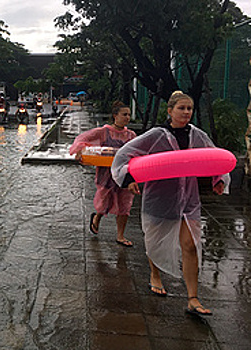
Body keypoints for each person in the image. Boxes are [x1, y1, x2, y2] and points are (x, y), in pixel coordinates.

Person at [111, 91, 230, 316]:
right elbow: (124, 155)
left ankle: (193, 299)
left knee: (191, 245)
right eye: (181, 108)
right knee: (155, 240)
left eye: (190, 109)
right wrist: (129, 179)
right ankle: (155, 274)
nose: (186, 113)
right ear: (170, 111)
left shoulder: (198, 135)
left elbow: (214, 156)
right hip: (160, 197)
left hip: (189, 200)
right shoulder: (156, 135)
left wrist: (219, 180)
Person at [69, 101, 136, 247]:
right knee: (104, 202)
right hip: (106, 174)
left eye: (129, 115)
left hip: (124, 174)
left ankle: (120, 236)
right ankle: (97, 218)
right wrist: (81, 151)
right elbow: (82, 139)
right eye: (124, 114)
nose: (127, 117)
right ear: (115, 116)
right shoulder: (104, 132)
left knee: (125, 204)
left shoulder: (131, 135)